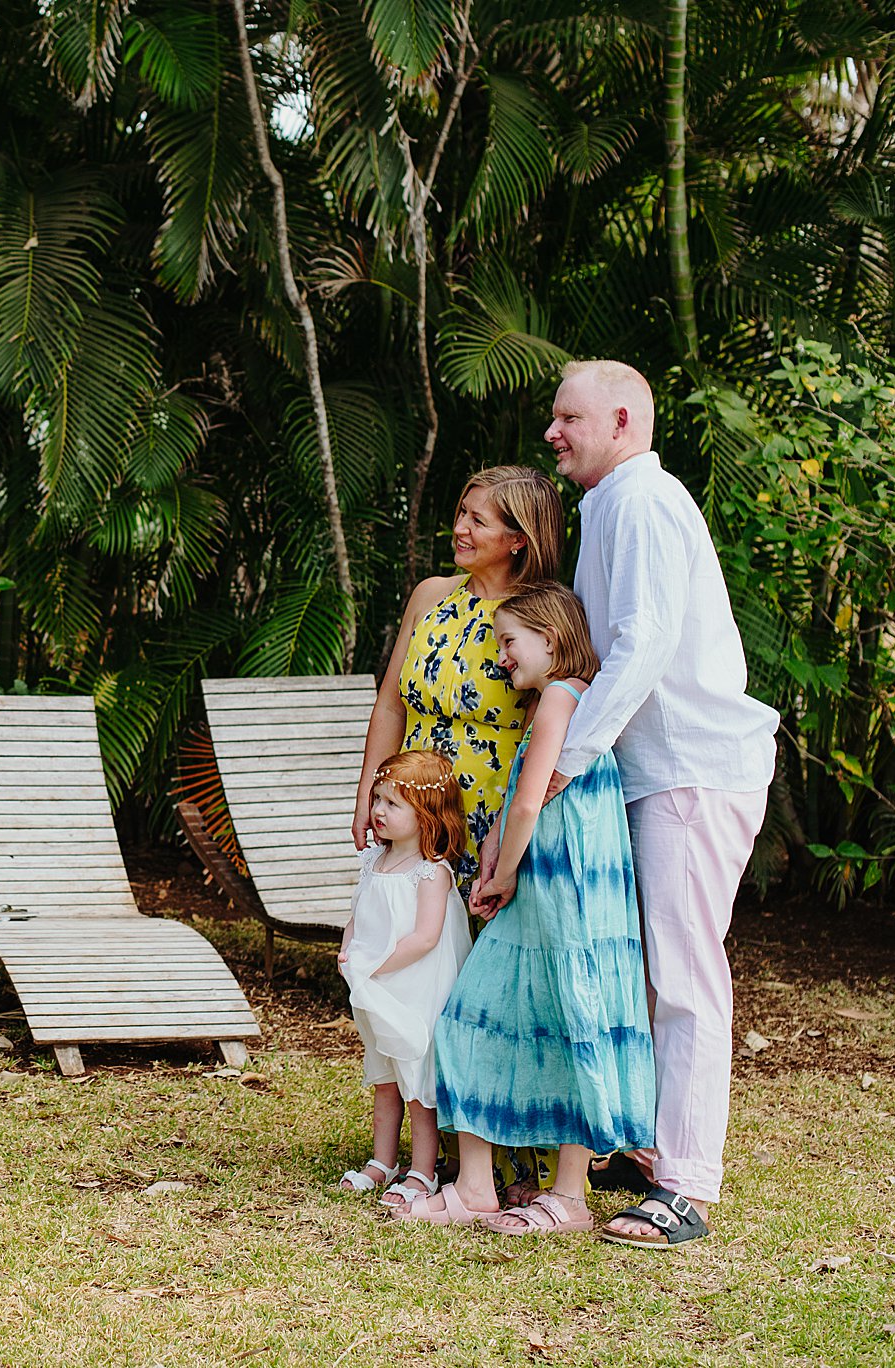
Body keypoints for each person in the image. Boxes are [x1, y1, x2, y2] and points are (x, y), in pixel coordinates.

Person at [538, 360, 779, 1249]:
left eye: (569, 418)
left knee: (683, 976)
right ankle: (642, 1147)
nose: (554, 433)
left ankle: (686, 1187)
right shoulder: (610, 502)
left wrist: (569, 756)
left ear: (623, 419)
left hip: (691, 769)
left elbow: (641, 644)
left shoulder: (643, 498)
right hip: (657, 771)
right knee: (648, 972)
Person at [401, 583, 656, 1232]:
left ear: (551, 638)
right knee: (492, 1022)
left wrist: (499, 877)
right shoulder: (568, 703)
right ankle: (482, 1185)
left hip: (559, 896)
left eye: (510, 641)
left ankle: (563, 1196)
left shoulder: (563, 701)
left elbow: (527, 802)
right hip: (550, 896)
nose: (502, 657)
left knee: (524, 1023)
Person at [354, 467, 563, 884]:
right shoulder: (431, 594)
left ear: (518, 539)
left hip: (488, 812)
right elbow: (391, 708)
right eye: (462, 513)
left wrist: (506, 827)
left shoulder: (541, 618)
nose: (459, 528)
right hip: (411, 810)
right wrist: (369, 796)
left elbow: (537, 732)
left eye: (477, 521)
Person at [334, 750, 472, 1211]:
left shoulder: (431, 873)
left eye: (392, 803)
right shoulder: (375, 860)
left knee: (417, 1077)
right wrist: (350, 948)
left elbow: (425, 938)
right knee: (386, 1075)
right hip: (377, 985)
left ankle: (423, 1169)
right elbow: (359, 913)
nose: (377, 811)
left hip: (414, 986)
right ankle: (383, 1161)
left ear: (427, 815)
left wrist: (374, 965)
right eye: (377, 799)